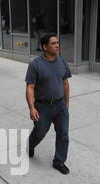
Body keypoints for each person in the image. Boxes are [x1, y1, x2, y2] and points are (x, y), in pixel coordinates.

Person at [25, 33, 72, 175]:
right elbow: (30, 87)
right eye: (53, 43)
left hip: (60, 105)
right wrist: (32, 108)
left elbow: (65, 83)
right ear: (44, 47)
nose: (57, 45)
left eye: (57, 42)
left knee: (63, 133)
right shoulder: (35, 64)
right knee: (40, 133)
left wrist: (66, 103)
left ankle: (59, 161)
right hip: (43, 106)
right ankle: (31, 144)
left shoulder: (62, 62)